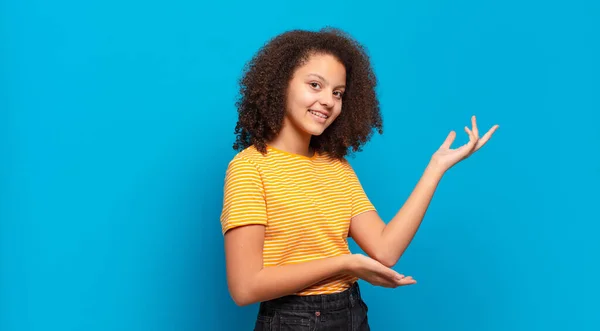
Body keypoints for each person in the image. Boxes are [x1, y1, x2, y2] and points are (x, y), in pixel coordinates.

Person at [219, 27, 499, 330]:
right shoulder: (249, 168)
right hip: (293, 320)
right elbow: (245, 287)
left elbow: (386, 250)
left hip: (351, 312)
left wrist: (435, 169)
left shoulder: (337, 168)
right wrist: (345, 262)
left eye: (337, 93)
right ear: (280, 85)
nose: (328, 101)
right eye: (315, 85)